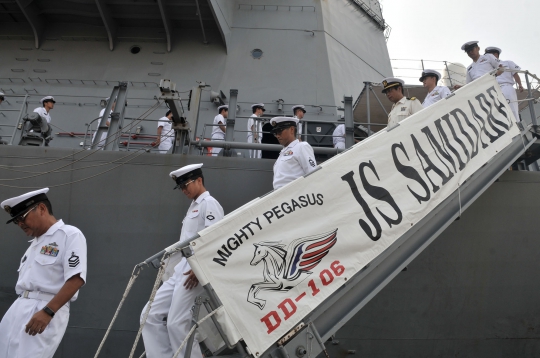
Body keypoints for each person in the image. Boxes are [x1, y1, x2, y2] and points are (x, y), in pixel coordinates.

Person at [141, 164, 224, 358]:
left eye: (186, 185)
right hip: (181, 269)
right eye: (181, 187)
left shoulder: (209, 204)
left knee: (176, 323)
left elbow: (215, 239)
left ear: (199, 181)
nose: (184, 190)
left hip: (194, 271)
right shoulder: (194, 206)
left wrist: (199, 269)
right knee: (149, 316)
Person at [0, 188, 87, 358]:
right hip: (19, 307)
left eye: (22, 217)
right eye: (16, 221)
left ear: (41, 208)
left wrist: (48, 311)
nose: (20, 224)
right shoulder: (35, 243)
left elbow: (76, 279)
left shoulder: (69, 235)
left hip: (44, 307)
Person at [271, 117, 317, 189]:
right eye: (275, 133)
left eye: (279, 131)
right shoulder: (283, 153)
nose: (277, 135)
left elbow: (313, 174)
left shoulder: (301, 147)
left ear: (292, 129)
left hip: (294, 195)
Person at [485, 46, 524, 122]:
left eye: (489, 55)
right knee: (497, 110)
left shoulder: (507, 63)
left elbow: (515, 74)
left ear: (495, 54)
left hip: (506, 87)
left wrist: (520, 85)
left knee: (512, 108)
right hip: (493, 89)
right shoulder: (487, 67)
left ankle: (517, 124)